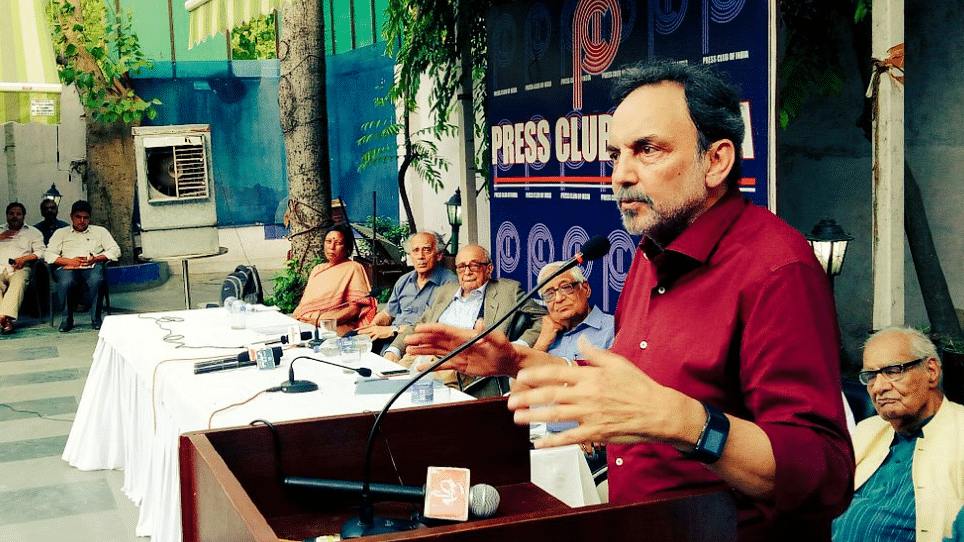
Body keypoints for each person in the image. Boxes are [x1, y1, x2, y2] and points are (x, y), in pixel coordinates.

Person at [403, 59, 853, 539]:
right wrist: (518, 361)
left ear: (716, 161)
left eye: (648, 150)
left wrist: (686, 422)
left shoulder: (777, 270)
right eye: (616, 154)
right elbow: (631, 393)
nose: (621, 174)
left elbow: (824, 474)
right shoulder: (649, 255)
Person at [832, 327, 964, 542]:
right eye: (871, 376)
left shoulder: (961, 433)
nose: (879, 387)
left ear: (931, 371)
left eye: (893, 371)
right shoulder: (868, 430)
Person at [385, 244, 543, 390]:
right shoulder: (444, 291)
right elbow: (418, 325)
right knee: (380, 389)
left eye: (474, 265)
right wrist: (394, 350)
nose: (467, 272)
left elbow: (542, 318)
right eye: (461, 267)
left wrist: (519, 345)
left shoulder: (508, 290)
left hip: (458, 367)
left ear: (489, 269)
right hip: (418, 357)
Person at [356, 231, 457, 353]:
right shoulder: (404, 281)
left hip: (419, 345)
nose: (420, 256)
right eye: (415, 251)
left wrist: (392, 330)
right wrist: (372, 327)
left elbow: (435, 327)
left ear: (439, 255)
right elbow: (387, 314)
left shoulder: (449, 283)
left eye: (426, 250)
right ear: (410, 255)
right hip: (388, 340)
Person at [45, 200, 120, 332]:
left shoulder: (100, 231)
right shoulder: (61, 233)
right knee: (66, 282)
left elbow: (115, 250)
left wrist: (96, 258)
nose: (81, 221)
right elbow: (49, 255)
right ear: (71, 217)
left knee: (97, 279)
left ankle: (96, 319)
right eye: (78, 217)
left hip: (91, 266)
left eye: (85, 218)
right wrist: (69, 261)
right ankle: (67, 320)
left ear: (90, 218)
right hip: (68, 267)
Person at [292, 223, 377, 334]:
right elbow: (304, 306)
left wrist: (322, 321)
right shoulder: (318, 270)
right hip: (305, 323)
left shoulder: (353, 268)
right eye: (328, 242)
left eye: (338, 243)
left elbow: (355, 308)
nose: (332, 247)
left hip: (335, 327)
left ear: (347, 247)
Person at [531, 261, 614, 358]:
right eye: (549, 294)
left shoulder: (614, 329)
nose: (558, 299)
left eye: (566, 288)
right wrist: (541, 345)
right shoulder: (541, 336)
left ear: (586, 289)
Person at [0, 202, 45, 334]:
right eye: (11, 214)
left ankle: (3, 317)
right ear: (7, 216)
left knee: (18, 282)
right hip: (0, 268)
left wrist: (24, 259)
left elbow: (42, 252)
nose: (15, 217)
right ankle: (6, 320)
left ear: (24, 216)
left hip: (20, 268)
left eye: (18, 214)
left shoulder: (33, 233)